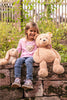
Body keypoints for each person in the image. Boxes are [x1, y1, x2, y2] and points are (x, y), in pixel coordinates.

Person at [11, 22, 39, 89]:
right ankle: (17, 79)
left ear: (37, 32)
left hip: (32, 57)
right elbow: (18, 50)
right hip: (23, 56)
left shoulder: (37, 41)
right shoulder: (22, 40)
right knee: (18, 61)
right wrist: (15, 57)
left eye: (35, 31)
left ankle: (29, 80)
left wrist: (37, 38)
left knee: (28, 61)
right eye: (31, 31)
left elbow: (42, 46)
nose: (32, 33)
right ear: (26, 31)